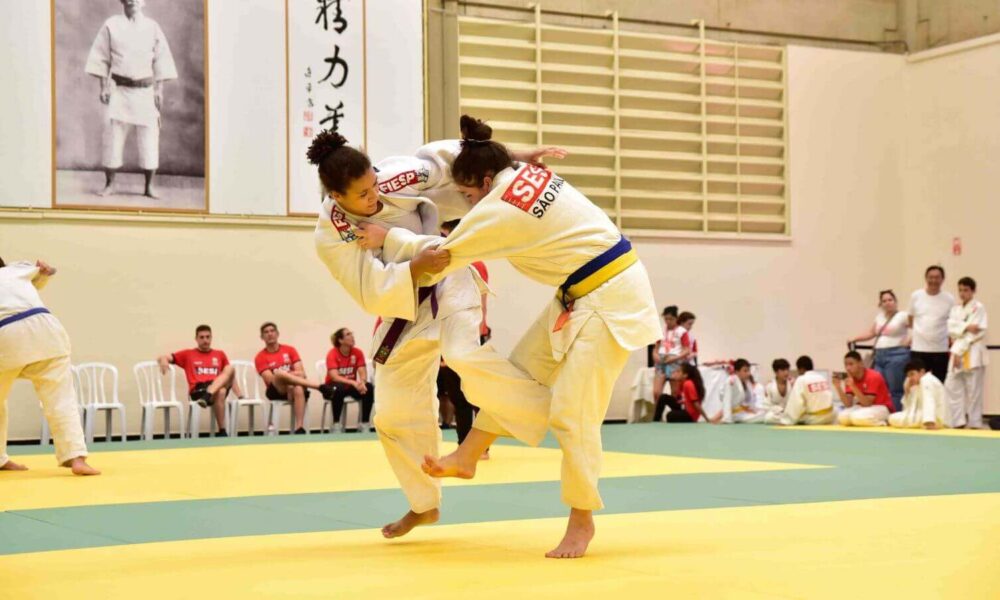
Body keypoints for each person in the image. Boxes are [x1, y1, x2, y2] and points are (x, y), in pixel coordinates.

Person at [369, 115, 661, 558]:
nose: (466, 205)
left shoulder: (501, 207)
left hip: (613, 297)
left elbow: (444, 254)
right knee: (517, 374)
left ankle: (581, 519)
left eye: (468, 196)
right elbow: (470, 152)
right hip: (581, 291)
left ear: (486, 182)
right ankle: (468, 455)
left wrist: (385, 236)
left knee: (571, 412)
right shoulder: (521, 173)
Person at [309, 131, 553, 541]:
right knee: (390, 412)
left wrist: (519, 157)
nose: (375, 197)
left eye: (374, 184)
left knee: (461, 355)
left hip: (449, 276)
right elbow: (366, 286)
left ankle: (540, 404)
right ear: (336, 195)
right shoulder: (333, 232)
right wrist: (412, 266)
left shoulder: (396, 177)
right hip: (403, 304)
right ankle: (424, 505)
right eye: (363, 195)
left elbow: (455, 159)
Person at [0, 257, 99, 476]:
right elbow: (43, 275)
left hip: (4, 335)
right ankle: (76, 458)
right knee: (61, 398)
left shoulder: (14, 271)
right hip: (45, 330)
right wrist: (45, 271)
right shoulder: (17, 271)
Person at [85, 0, 178, 199]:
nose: (133, 0)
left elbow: (161, 60)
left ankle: (149, 187)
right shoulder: (111, 25)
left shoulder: (152, 27)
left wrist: (159, 90)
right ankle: (110, 184)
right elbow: (101, 57)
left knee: (149, 139)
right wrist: (103, 87)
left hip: (145, 91)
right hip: (118, 90)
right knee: (112, 138)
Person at [158, 325, 240, 436]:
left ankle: (221, 429)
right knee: (221, 391)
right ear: (196, 339)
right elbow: (165, 356)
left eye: (207, 337)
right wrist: (163, 360)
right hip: (198, 390)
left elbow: (229, 376)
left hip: (212, 390)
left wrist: (240, 395)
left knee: (229, 369)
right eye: (201, 337)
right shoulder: (188, 354)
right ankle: (222, 431)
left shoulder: (220, 354)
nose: (205, 340)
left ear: (211, 338)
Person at [255, 322, 332, 435]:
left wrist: (290, 383)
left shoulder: (290, 350)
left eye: (272, 331)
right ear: (262, 337)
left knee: (298, 388)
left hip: (295, 387)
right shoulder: (260, 357)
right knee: (279, 374)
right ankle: (319, 387)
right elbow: (270, 379)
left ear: (277, 334)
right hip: (276, 390)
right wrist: (287, 380)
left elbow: (301, 373)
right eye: (266, 332)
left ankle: (299, 427)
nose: (270, 334)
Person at [848, 290, 910, 410]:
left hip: (896, 355)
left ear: (895, 302)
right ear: (880, 304)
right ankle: (882, 413)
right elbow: (872, 333)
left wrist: (909, 340)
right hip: (879, 356)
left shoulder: (903, 316)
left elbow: (916, 327)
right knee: (879, 387)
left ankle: (895, 414)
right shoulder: (879, 317)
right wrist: (855, 338)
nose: (887, 303)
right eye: (884, 301)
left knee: (895, 389)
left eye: (890, 300)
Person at [944, 277, 988, 429]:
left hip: (972, 351)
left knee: (974, 391)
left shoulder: (978, 307)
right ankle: (957, 421)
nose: (962, 293)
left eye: (966, 290)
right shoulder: (955, 309)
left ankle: (975, 423)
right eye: (960, 290)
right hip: (956, 351)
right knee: (951, 386)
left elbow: (976, 332)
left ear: (973, 291)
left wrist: (960, 330)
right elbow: (950, 328)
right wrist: (966, 326)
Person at [908, 266, 956, 382]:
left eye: (937, 277)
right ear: (926, 278)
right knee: (917, 384)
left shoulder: (949, 298)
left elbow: (953, 322)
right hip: (919, 348)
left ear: (942, 279)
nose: (933, 280)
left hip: (940, 349)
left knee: (939, 384)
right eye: (931, 277)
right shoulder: (916, 296)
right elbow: (910, 319)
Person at [323, 327, 374, 430]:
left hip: (350, 386)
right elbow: (334, 376)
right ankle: (336, 424)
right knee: (339, 388)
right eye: (348, 334)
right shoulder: (332, 353)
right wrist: (353, 382)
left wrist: (362, 382)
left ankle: (364, 423)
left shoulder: (357, 352)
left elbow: (362, 371)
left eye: (352, 333)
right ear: (340, 340)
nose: (352, 336)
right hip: (332, 387)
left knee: (369, 388)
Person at [834, 351, 893, 427]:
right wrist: (838, 387)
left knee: (857, 417)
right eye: (846, 365)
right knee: (842, 418)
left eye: (851, 364)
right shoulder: (850, 378)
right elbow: (848, 404)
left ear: (860, 363)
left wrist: (853, 386)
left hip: (881, 407)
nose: (848, 368)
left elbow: (867, 403)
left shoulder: (873, 376)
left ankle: (883, 422)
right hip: (863, 407)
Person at [889, 358, 950, 429]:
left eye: (912, 374)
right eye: (908, 376)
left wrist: (929, 421)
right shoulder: (916, 385)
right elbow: (909, 409)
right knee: (893, 417)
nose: (910, 378)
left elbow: (929, 400)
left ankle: (929, 422)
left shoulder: (927, 379)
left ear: (922, 372)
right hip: (923, 416)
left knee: (896, 419)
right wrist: (907, 392)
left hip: (936, 418)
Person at [778, 356, 835, 426]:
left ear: (801, 369)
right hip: (830, 416)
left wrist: (786, 421)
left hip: (815, 419)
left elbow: (796, 403)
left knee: (772, 417)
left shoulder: (801, 379)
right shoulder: (821, 377)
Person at [652, 306, 691, 402]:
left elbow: (687, 350)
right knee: (656, 392)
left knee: (675, 392)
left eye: (671, 319)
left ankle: (674, 414)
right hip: (661, 361)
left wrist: (675, 358)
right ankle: (657, 415)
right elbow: (655, 348)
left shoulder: (681, 331)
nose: (668, 321)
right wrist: (655, 355)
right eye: (666, 319)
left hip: (674, 361)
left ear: (676, 318)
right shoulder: (660, 330)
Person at [719, 358, 766, 423]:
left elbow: (748, 402)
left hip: (742, 412)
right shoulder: (731, 381)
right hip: (734, 414)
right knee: (764, 416)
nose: (748, 373)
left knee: (764, 413)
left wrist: (752, 410)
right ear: (736, 372)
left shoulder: (746, 382)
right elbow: (727, 400)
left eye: (749, 370)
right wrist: (727, 419)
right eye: (745, 371)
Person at [761, 358, 792, 424]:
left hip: (790, 412)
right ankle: (788, 421)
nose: (786, 373)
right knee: (768, 418)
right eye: (783, 370)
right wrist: (780, 410)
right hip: (777, 413)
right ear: (776, 372)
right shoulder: (769, 386)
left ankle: (788, 421)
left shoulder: (792, 384)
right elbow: (767, 405)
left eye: (787, 370)